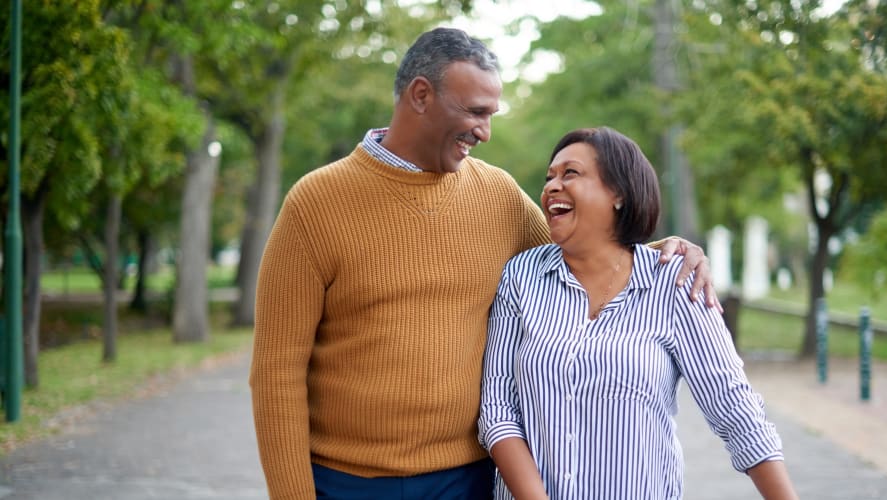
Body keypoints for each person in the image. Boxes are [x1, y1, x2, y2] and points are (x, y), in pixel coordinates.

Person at [249, 28, 717, 500]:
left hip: (469, 481)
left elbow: (584, 254)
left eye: (491, 114)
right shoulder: (316, 203)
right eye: (474, 111)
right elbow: (276, 372)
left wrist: (660, 250)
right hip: (346, 483)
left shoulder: (499, 196)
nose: (485, 131)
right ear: (421, 95)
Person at [478, 127, 798, 499]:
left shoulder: (675, 283)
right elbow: (498, 410)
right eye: (549, 177)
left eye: (571, 173)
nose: (551, 186)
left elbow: (733, 406)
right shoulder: (522, 276)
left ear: (619, 193)